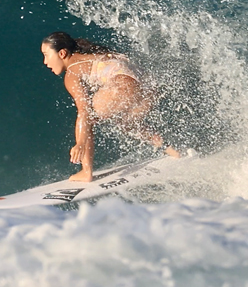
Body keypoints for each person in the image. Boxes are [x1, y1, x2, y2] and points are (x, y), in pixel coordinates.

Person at [40, 31, 180, 182]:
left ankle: (86, 172)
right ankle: (171, 150)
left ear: (62, 53)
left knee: (88, 118)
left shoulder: (72, 73)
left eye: (46, 55)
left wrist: (80, 143)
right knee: (127, 123)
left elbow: (83, 111)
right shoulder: (94, 54)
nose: (45, 62)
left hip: (122, 87)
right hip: (148, 88)